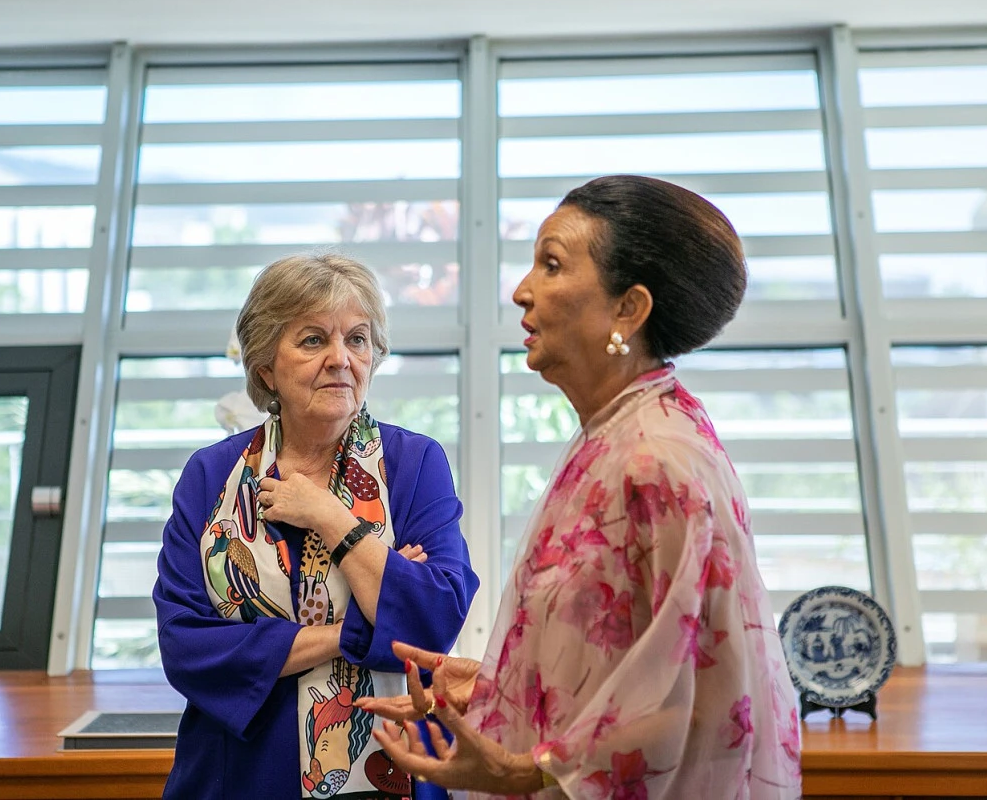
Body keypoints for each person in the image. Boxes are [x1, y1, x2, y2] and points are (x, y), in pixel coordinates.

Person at [360, 175, 802, 799]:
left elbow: (712, 700)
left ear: (629, 309)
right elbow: (629, 665)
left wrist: (524, 769)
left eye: (551, 264)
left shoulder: (659, 461)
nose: (521, 291)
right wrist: (498, 684)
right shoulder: (612, 438)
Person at [153, 253, 480, 800]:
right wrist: (358, 629)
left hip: (385, 765)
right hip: (237, 771)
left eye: (357, 339)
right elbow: (187, 646)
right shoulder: (210, 475)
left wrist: (330, 516)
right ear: (265, 369)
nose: (340, 359)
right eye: (312, 341)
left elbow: (432, 622)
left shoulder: (414, 464)